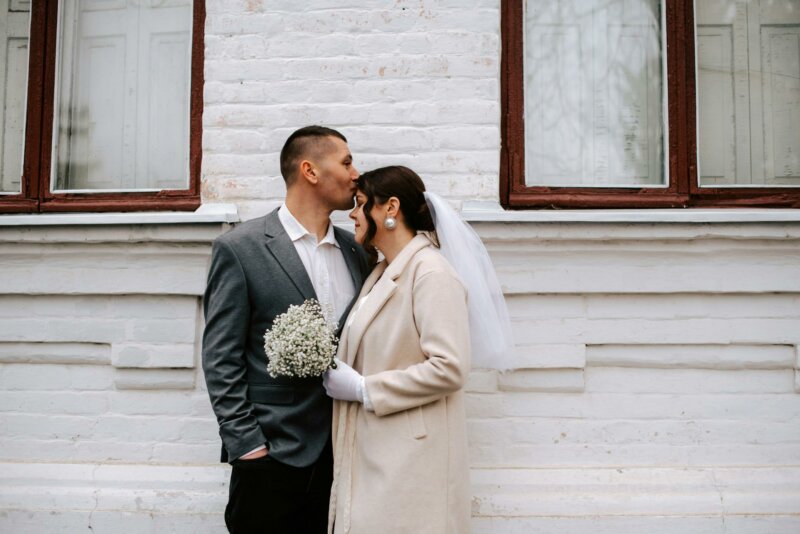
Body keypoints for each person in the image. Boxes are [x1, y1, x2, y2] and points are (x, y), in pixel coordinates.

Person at [322, 166, 513, 533]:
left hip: (409, 463)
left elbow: (450, 367)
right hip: (375, 456)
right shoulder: (382, 272)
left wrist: (364, 388)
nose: (352, 214)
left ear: (390, 207)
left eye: (361, 204)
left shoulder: (430, 273)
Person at [202, 125, 371, 533]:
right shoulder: (241, 249)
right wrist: (249, 447)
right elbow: (220, 358)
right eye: (346, 162)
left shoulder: (358, 250)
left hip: (345, 456)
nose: (356, 174)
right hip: (272, 457)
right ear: (310, 171)